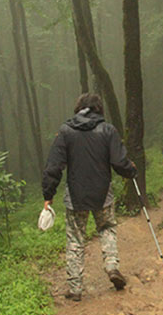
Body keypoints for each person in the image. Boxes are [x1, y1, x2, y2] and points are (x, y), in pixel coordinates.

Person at [42, 93, 137, 302]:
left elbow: (54, 166)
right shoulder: (108, 130)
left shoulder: (66, 132)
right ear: (98, 109)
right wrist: (131, 170)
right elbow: (120, 162)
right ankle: (112, 267)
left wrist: (48, 194)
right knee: (107, 228)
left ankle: (75, 288)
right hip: (103, 193)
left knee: (75, 239)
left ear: (79, 108)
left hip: (75, 195)